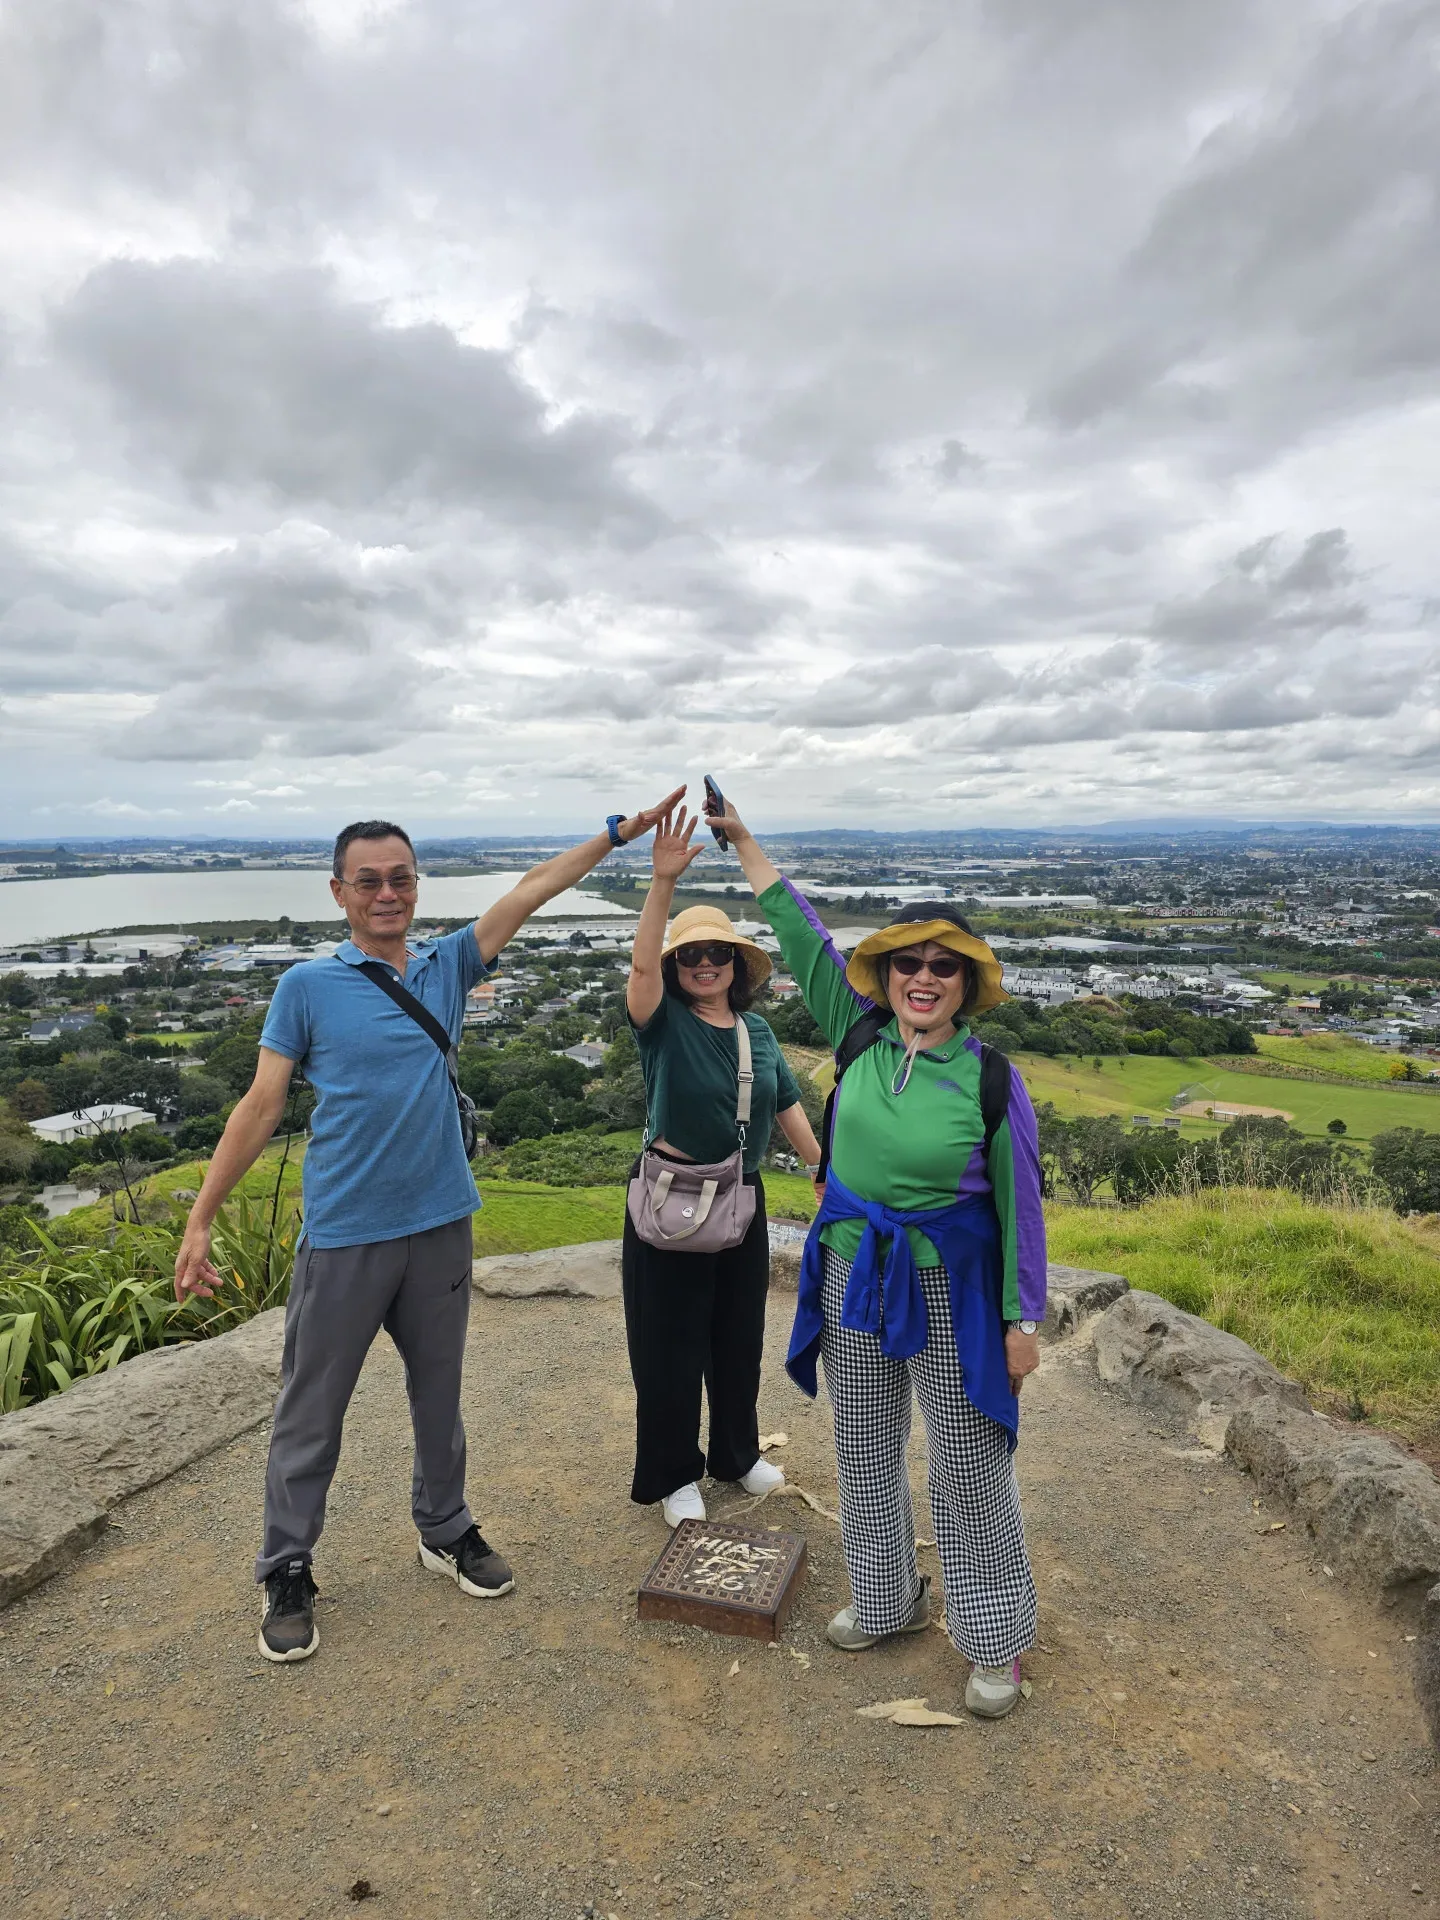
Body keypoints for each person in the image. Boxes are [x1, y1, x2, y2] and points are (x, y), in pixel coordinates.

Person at [174, 789, 685, 1663]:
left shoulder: (447, 966)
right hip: (343, 1231)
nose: (387, 893)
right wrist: (199, 1222)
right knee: (312, 1408)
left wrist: (619, 837)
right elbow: (261, 1106)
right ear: (338, 892)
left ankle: (445, 1527)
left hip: (442, 1222)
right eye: (368, 881)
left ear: (417, 885)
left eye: (401, 878)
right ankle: (287, 1566)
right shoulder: (306, 987)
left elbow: (531, 890)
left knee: (438, 1394)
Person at [707, 795, 1046, 1720]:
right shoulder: (858, 1032)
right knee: (861, 1447)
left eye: (944, 966)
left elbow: (1021, 1206)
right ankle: (891, 1598)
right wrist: (744, 845)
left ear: (966, 984)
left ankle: (994, 1636)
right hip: (855, 1272)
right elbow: (802, 931)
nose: (924, 977)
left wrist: (1023, 1322)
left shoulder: (987, 1077)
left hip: (952, 1288)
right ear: (888, 976)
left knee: (969, 1459)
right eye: (909, 963)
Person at [623, 805, 822, 1528]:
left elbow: (788, 1104)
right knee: (669, 1343)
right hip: (673, 1195)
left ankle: (734, 1453)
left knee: (738, 1334)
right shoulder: (663, 1023)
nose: (704, 964)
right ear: (678, 968)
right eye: (691, 956)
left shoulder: (758, 1030)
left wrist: (821, 1167)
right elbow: (642, 967)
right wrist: (661, 885)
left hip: (741, 1194)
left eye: (718, 955)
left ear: (737, 966)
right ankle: (674, 1473)